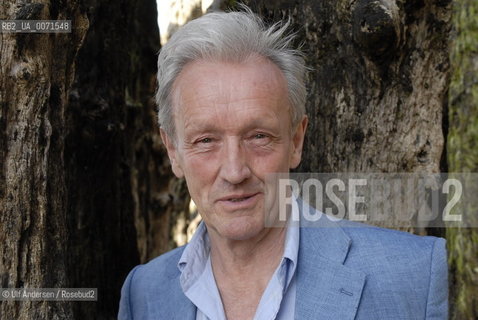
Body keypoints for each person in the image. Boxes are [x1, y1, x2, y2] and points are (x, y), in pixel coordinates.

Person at [118, 7, 448, 320]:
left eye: (258, 136)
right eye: (206, 141)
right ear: (173, 151)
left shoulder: (415, 276)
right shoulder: (144, 294)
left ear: (295, 141)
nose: (235, 172)